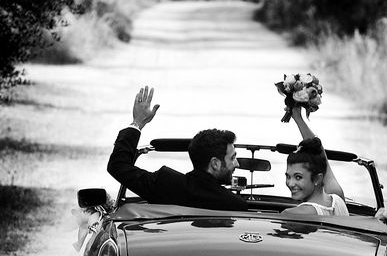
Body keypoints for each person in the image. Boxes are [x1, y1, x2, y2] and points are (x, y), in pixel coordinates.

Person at [107, 86, 248, 211]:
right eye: (233, 157)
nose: (237, 163)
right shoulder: (233, 204)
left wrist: (137, 122)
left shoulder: (166, 184)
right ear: (215, 164)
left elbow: (118, 166)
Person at [281, 106, 349, 217]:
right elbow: (320, 152)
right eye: (288, 176)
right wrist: (298, 118)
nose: (290, 183)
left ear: (318, 178)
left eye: (298, 177)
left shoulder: (292, 214)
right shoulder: (337, 198)